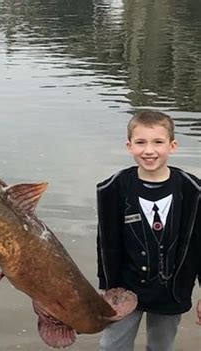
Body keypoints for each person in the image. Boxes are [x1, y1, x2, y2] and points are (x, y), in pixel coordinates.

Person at [96, 110, 201, 351]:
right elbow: (106, 242)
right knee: (112, 346)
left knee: (161, 346)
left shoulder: (193, 190)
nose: (149, 150)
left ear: (172, 145)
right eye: (140, 142)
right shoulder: (113, 188)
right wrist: (107, 286)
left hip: (173, 290)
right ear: (129, 146)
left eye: (158, 142)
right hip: (125, 287)